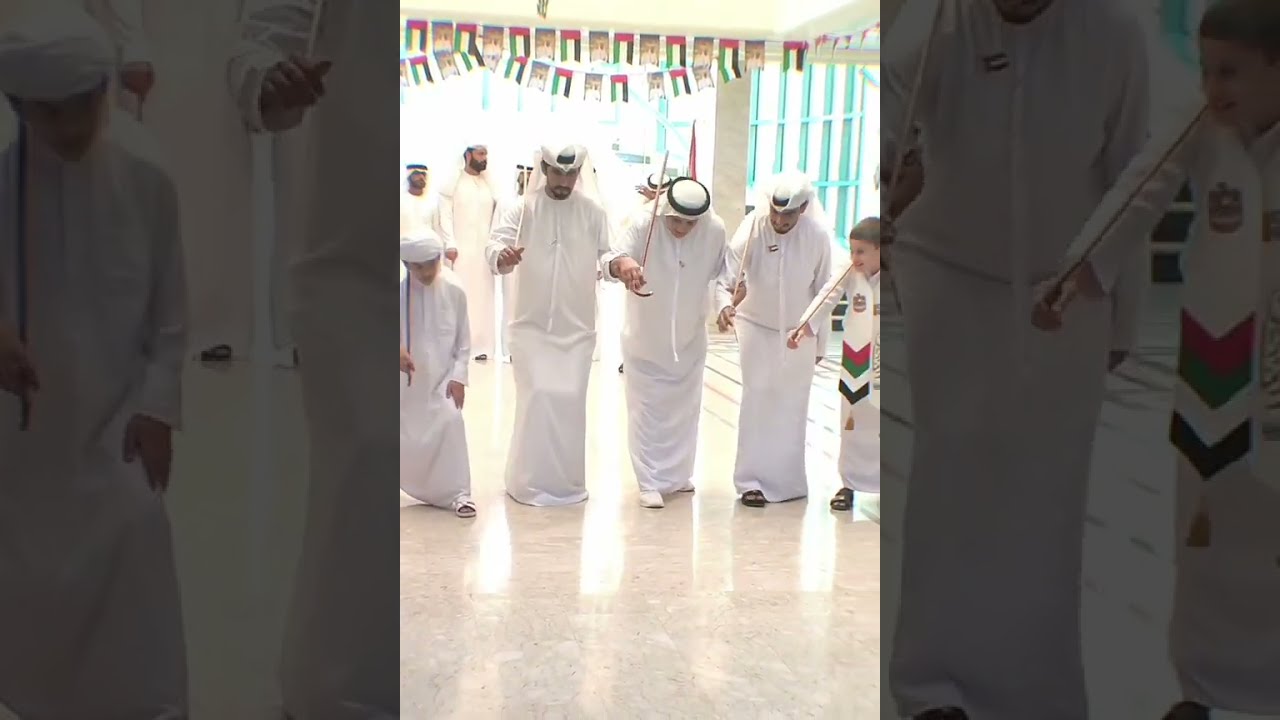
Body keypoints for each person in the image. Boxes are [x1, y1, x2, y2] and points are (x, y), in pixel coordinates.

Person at [881, 1, 1151, 718]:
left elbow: (1135, 172)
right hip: (949, 280)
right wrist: (886, 189)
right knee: (947, 485)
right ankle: (931, 688)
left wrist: (1119, 308)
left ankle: (1034, 691)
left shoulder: (1115, 32)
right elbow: (888, 143)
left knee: (1045, 494)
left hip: (1070, 288)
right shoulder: (932, 24)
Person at [1034, 3, 1280, 717]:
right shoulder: (1199, 127)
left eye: (1231, 72)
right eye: (1206, 69)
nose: (1213, 87)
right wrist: (1074, 275)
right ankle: (1202, 686)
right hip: (1216, 364)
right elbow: (1137, 193)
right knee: (1203, 532)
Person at [0, 6, 187, 716]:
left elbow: (170, 315)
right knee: (31, 588)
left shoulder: (147, 174)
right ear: (17, 106)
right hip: (23, 430)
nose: (72, 126)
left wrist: (157, 408)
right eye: (50, 113)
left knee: (136, 540)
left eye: (84, 104)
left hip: (119, 421)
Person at [226, 0, 398, 715]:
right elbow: (257, 43)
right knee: (369, 453)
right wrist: (269, 81)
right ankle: (331, 694)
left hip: (415, 270)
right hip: (344, 258)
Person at [487, 142, 626, 506]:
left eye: (571, 174)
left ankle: (566, 485)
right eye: (558, 173)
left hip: (577, 329)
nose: (564, 181)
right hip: (530, 327)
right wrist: (502, 256)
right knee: (537, 397)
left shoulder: (593, 212)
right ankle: (527, 482)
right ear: (545, 170)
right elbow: (495, 244)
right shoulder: (522, 209)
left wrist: (620, 265)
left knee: (569, 401)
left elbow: (607, 254)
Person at [715, 171, 836, 507]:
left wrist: (818, 341)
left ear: (803, 209)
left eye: (788, 215)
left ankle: (787, 483)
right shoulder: (754, 227)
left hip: (800, 333)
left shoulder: (817, 236)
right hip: (755, 327)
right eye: (776, 212)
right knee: (756, 400)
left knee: (792, 405)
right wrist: (724, 305)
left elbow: (825, 290)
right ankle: (750, 482)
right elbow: (728, 274)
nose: (780, 221)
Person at [609, 177, 727, 508]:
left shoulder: (714, 230)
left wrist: (726, 303)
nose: (682, 229)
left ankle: (677, 477)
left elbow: (725, 274)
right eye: (675, 221)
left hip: (690, 338)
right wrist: (623, 265)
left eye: (690, 223)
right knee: (646, 412)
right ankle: (649, 481)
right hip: (645, 338)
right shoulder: (644, 223)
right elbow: (612, 257)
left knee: (684, 412)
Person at [789, 218, 882, 515]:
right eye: (852, 250)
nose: (854, 257)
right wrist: (804, 326)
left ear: (881, 249)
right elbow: (826, 297)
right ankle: (849, 484)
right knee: (852, 423)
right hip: (856, 358)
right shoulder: (848, 270)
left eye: (861, 251)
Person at [399, 233, 474, 518]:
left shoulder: (455, 289)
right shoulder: (396, 292)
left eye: (432, 264)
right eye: (418, 267)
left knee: (452, 421)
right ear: (407, 265)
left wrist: (459, 377)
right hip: (407, 382)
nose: (427, 272)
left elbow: (464, 341)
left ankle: (459, 494)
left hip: (444, 378)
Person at [435, 144, 502, 360]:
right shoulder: (454, 185)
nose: (484, 158)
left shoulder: (487, 186)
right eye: (480, 154)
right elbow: (445, 215)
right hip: (460, 251)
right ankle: (459, 347)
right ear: (468, 154)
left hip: (483, 252)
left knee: (484, 299)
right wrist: (450, 243)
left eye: (486, 154)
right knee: (460, 297)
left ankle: (482, 347)